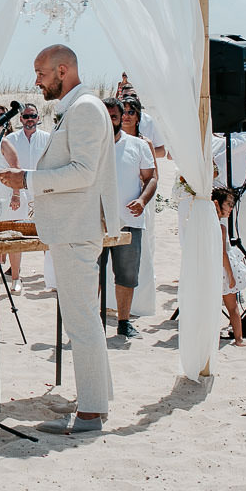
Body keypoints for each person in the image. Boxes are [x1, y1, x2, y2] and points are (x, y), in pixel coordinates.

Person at [2, 45, 119, 435]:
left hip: (75, 230)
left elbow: (83, 173)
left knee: (81, 322)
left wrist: (28, 180)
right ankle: (97, 402)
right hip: (73, 229)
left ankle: (89, 413)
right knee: (85, 319)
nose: (36, 80)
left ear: (63, 70)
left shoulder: (84, 108)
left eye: (41, 73)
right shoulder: (80, 107)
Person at [100, 98, 156, 339]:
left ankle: (123, 322)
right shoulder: (90, 145)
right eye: (106, 116)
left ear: (121, 118)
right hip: (95, 222)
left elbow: (151, 177)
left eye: (114, 116)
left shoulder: (138, 145)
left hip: (129, 221)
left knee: (126, 275)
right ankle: (94, 323)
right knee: (93, 274)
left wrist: (142, 200)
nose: (110, 121)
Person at [6, 103, 51, 288]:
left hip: (42, 192)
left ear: (38, 118)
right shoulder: (11, 139)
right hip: (18, 193)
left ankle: (51, 278)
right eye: (26, 116)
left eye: (33, 116)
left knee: (47, 235)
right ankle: (16, 278)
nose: (30, 120)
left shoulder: (48, 139)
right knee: (16, 236)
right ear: (21, 119)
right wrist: (14, 193)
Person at [213, 188, 246, 346]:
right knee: (232, 307)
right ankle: (239, 339)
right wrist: (231, 275)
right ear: (217, 204)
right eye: (228, 204)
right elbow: (223, 254)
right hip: (222, 271)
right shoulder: (220, 228)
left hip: (211, 270)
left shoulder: (203, 225)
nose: (231, 208)